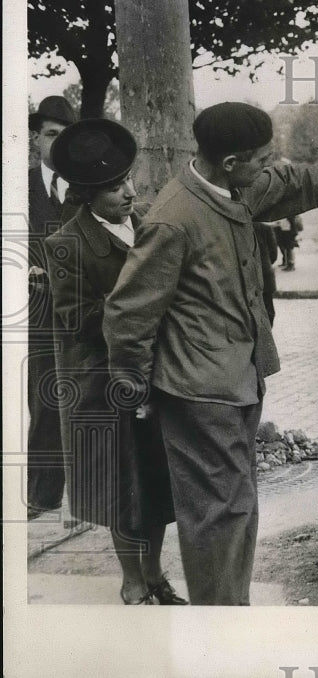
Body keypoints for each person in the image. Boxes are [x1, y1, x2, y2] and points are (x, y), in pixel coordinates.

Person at [103, 102, 318, 605]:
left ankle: (228, 614)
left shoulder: (235, 188)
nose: (271, 163)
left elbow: (290, 182)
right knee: (218, 513)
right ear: (232, 161)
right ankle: (222, 630)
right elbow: (128, 314)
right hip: (198, 392)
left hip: (237, 380)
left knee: (234, 506)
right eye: (262, 157)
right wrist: (134, 390)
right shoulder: (174, 220)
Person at [44, 119, 187, 605]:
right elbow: (74, 319)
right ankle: (132, 581)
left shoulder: (149, 221)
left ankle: (156, 574)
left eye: (128, 180)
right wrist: (137, 306)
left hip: (155, 370)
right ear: (85, 195)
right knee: (122, 484)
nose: (128, 193)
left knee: (157, 479)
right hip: (102, 382)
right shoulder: (67, 242)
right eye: (112, 188)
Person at [26, 95, 78, 518]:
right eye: (51, 135)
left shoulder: (89, 189)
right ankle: (43, 496)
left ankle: (93, 494)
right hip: (37, 313)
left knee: (94, 398)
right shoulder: (16, 187)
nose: (58, 144)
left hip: (85, 309)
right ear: (36, 139)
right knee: (45, 399)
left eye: (67, 137)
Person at [254, 222, 279, 326]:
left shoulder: (241, 226)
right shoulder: (266, 228)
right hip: (265, 272)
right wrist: (267, 262)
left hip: (247, 274)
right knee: (268, 307)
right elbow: (274, 253)